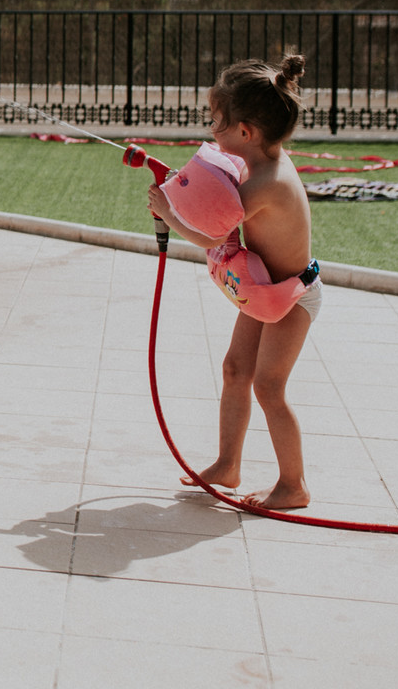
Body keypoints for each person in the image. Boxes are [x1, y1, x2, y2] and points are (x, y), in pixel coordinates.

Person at [147, 53, 319, 511]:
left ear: (246, 132)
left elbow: (213, 232)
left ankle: (294, 485)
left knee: (268, 386)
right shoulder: (255, 166)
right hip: (266, 290)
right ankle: (228, 464)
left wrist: (169, 211)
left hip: (293, 295)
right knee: (235, 371)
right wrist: (180, 190)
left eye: (217, 123)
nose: (212, 132)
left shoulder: (266, 183)